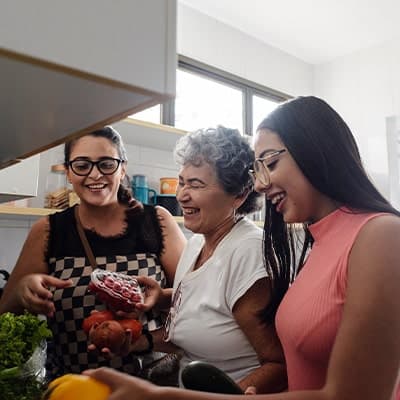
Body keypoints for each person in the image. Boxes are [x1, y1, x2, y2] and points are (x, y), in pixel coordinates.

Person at [84, 96, 400, 400]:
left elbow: (353, 395)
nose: (261, 184)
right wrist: (161, 303)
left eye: (271, 163)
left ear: (317, 152)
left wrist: (162, 396)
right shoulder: (317, 242)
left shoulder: (381, 235)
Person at [0, 126, 186, 377]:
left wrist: (156, 311)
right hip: (74, 387)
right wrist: (23, 289)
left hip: (152, 385)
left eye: (107, 164)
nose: (95, 174)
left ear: (122, 167)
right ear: (68, 171)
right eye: (82, 165)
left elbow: (196, 304)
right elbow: (5, 313)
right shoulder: (48, 230)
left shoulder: (157, 222)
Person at [126, 126, 287, 393]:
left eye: (196, 184)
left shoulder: (247, 252)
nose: (181, 195)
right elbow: (200, 330)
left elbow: (278, 365)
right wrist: (139, 339)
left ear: (239, 194)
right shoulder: (196, 242)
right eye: (182, 181)